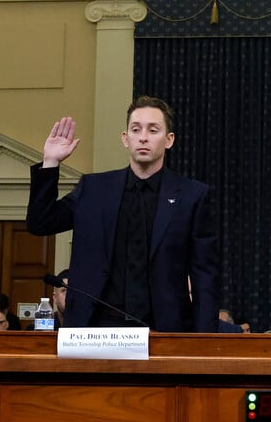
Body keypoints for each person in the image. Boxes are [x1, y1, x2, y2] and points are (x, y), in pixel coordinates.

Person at [27, 95, 220, 332]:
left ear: (169, 140)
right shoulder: (94, 188)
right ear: (125, 139)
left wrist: (205, 340)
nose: (143, 137)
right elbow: (40, 222)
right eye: (136, 129)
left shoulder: (193, 196)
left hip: (164, 328)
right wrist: (50, 162)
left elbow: (205, 276)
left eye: (153, 130)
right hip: (96, 327)